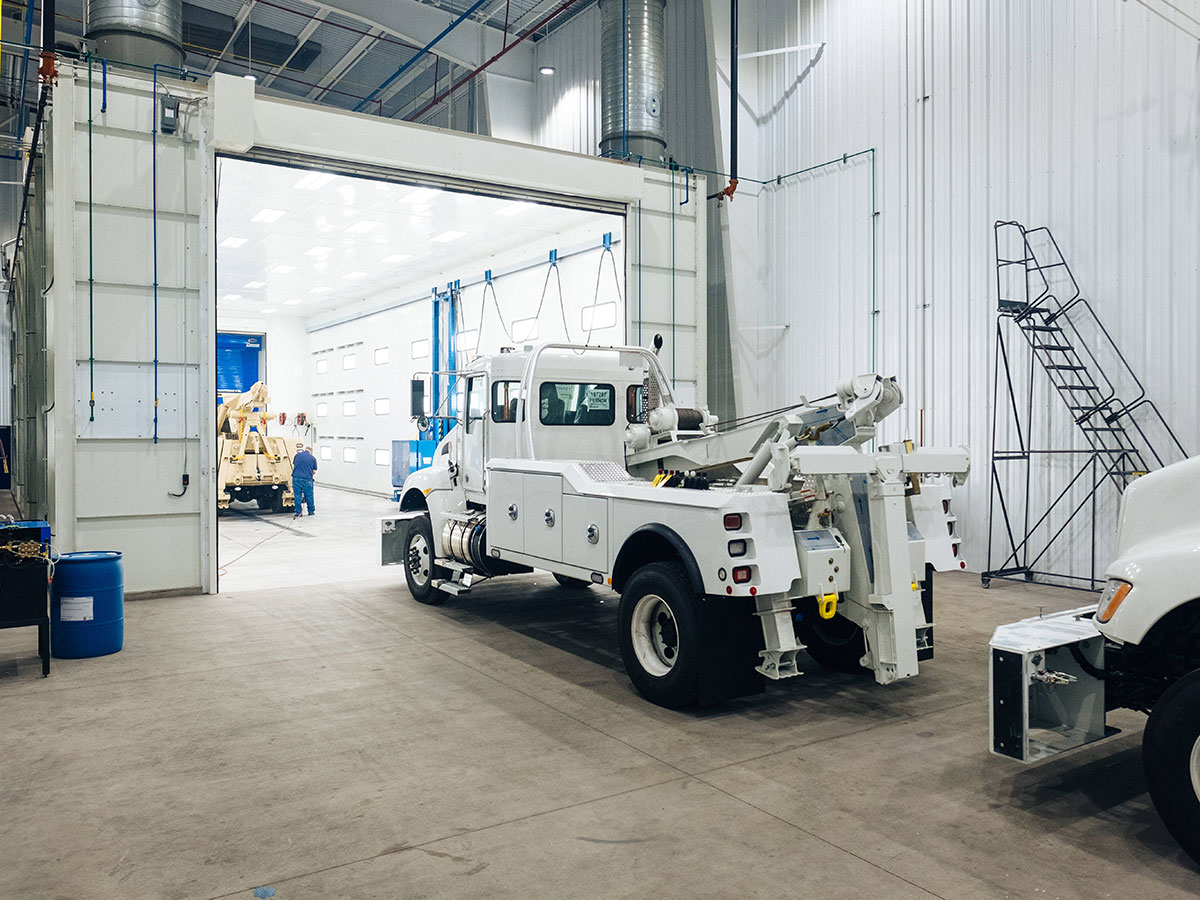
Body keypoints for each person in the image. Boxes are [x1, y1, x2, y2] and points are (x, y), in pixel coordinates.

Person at [292, 442, 318, 517]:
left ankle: (298, 512)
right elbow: (314, 471)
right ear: (311, 452)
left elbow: (295, 465)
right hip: (307, 479)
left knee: (297, 495)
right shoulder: (313, 458)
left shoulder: (297, 456)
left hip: (296, 478)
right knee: (309, 495)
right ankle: (311, 511)